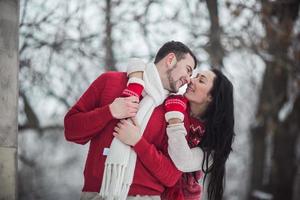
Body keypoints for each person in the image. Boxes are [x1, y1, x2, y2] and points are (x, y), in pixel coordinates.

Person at [64, 41, 197, 200]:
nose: (189, 79)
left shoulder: (175, 112)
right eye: (188, 70)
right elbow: (71, 130)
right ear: (170, 60)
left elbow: (171, 176)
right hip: (97, 194)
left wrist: (138, 142)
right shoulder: (110, 82)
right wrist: (109, 111)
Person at [114, 69, 235, 200]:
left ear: (211, 97)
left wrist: (175, 119)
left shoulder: (212, 147)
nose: (191, 80)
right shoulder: (173, 101)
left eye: (201, 81)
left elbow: (182, 161)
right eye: (195, 76)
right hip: (142, 187)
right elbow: (150, 72)